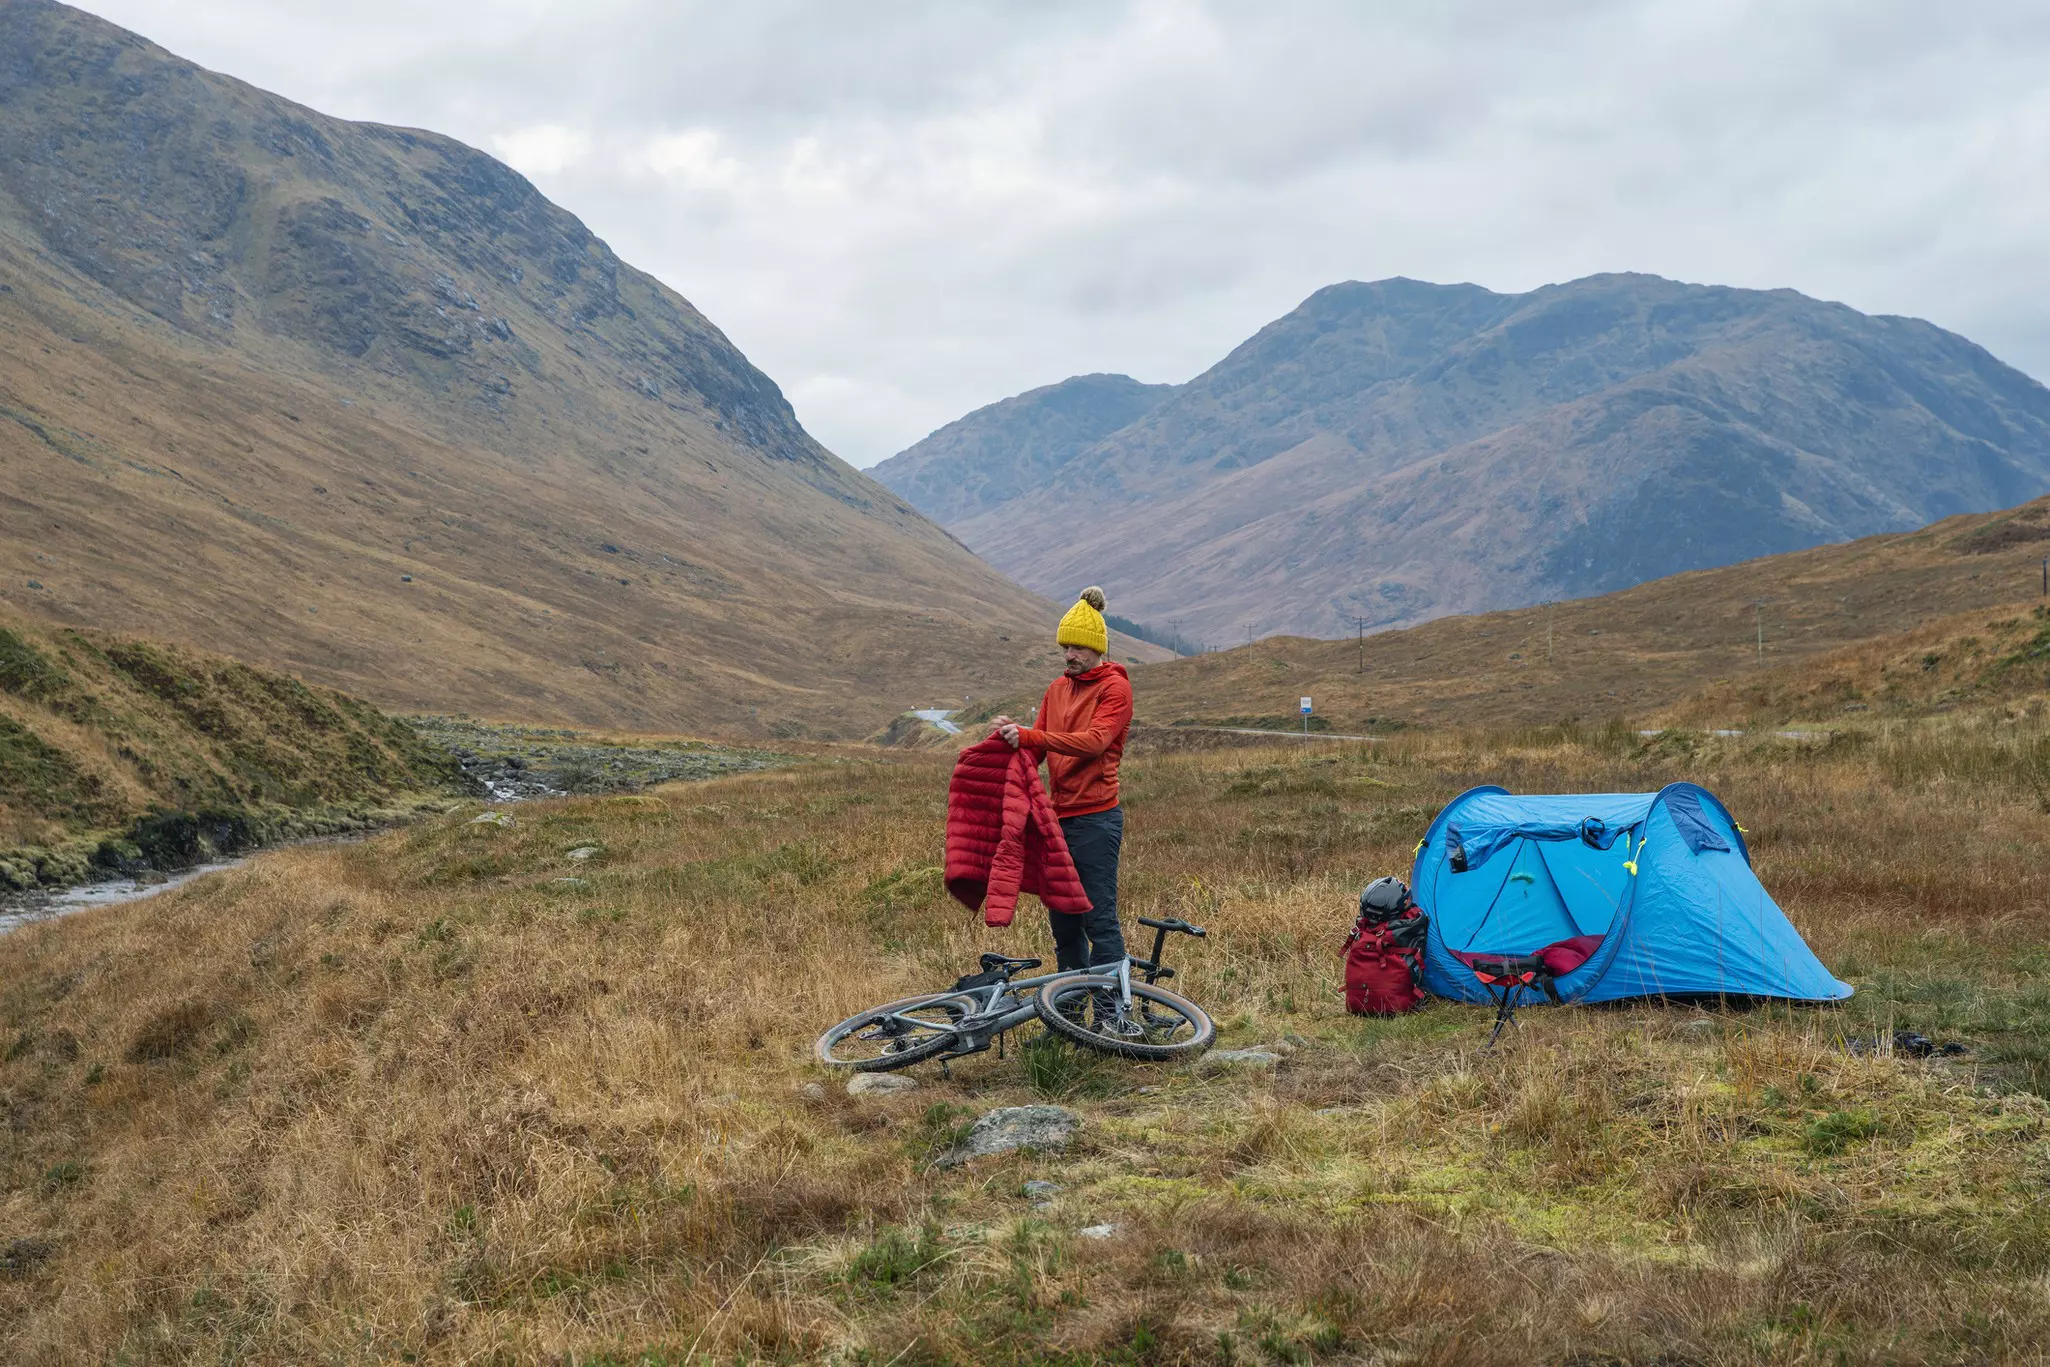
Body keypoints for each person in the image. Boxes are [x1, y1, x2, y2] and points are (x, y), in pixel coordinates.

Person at [991, 587, 1134, 1011]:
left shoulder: (1115, 690)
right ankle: (1068, 1017)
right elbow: (1036, 750)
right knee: (1065, 925)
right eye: (1064, 646)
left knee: (1099, 921)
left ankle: (1113, 1018)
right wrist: (1008, 742)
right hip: (1058, 822)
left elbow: (1094, 742)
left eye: (1076, 647)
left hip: (1096, 820)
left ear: (1096, 649)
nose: (1068, 654)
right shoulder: (1057, 689)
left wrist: (1031, 734)